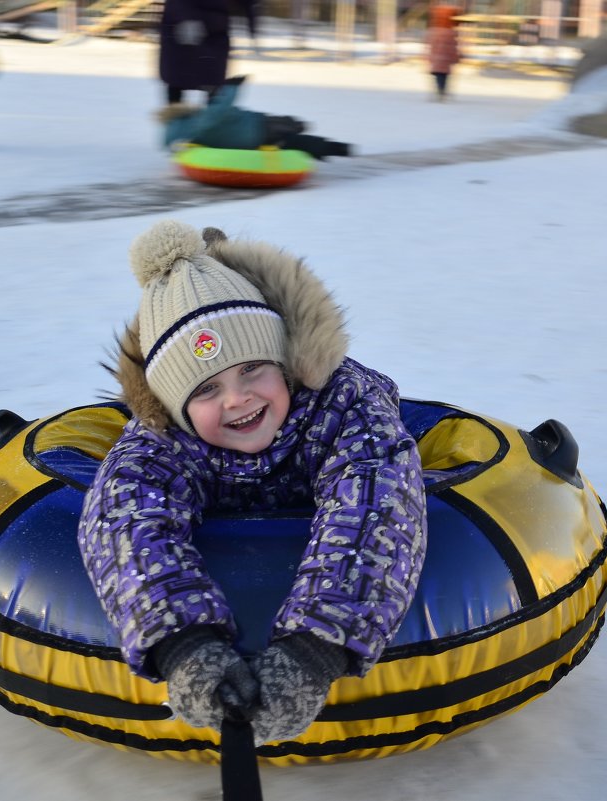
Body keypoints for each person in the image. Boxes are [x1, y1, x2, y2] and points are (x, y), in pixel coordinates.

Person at [77, 219, 427, 745]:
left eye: (253, 369)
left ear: (286, 363)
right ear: (174, 405)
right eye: (207, 388)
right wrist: (183, 643)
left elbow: (377, 502)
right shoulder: (162, 439)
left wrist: (315, 647)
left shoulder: (344, 405)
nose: (237, 398)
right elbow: (123, 518)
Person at [159, 76, 353, 160]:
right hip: (258, 127)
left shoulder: (189, 132)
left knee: (292, 140)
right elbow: (218, 110)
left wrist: (174, 148)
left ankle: (326, 146)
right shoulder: (197, 122)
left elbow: (165, 140)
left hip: (252, 134)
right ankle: (336, 148)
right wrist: (232, 86)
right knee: (295, 132)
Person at [159, 0, 257, 106]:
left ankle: (210, 118)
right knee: (177, 79)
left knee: (212, 80)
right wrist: (185, 16)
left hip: (215, 28)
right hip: (180, 25)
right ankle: (175, 118)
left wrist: (252, 19)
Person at [426, 4, 462, 102]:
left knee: (438, 75)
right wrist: (456, 57)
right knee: (444, 76)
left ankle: (440, 90)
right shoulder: (451, 33)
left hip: (436, 58)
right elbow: (453, 47)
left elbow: (430, 45)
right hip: (445, 59)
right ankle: (442, 91)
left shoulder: (434, 31)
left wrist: (429, 57)